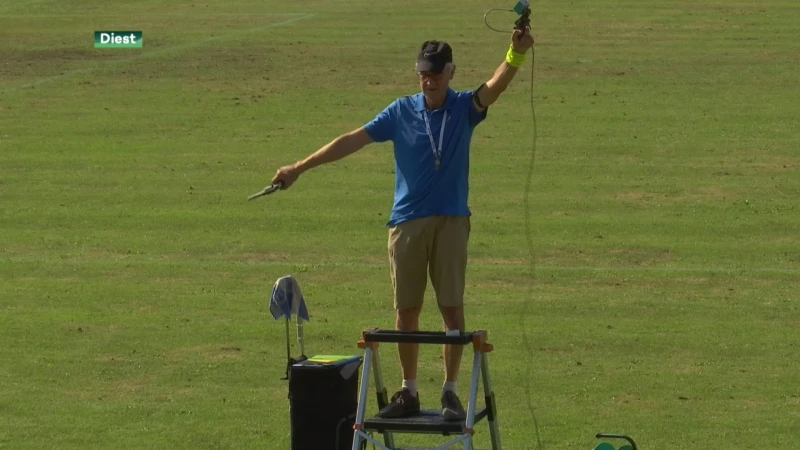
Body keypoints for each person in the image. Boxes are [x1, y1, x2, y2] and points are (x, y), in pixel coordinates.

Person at [271, 27, 535, 421]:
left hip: (451, 222)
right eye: (422, 74)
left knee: (451, 310)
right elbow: (352, 139)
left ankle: (449, 392)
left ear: (450, 72)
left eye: (435, 73)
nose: (428, 81)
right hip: (406, 223)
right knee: (406, 311)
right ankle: (409, 390)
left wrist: (515, 54)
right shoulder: (400, 111)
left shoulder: (464, 108)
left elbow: (494, 87)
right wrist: (300, 167)